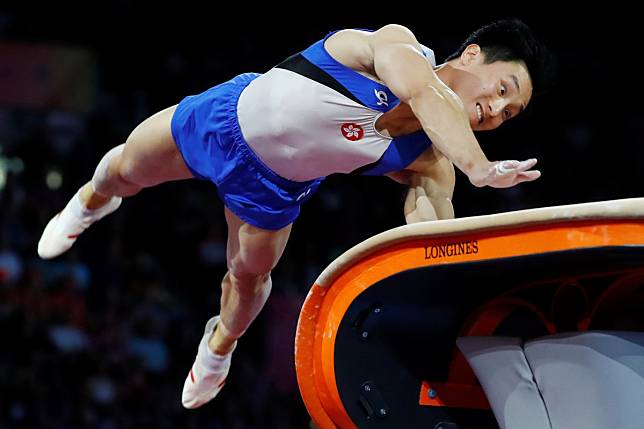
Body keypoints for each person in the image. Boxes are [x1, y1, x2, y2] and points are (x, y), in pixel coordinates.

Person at [37, 18, 554, 409]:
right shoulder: (395, 48)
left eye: (509, 114)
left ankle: (220, 344)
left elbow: (432, 238)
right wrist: (480, 169)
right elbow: (425, 94)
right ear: (470, 55)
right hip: (225, 117)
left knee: (246, 277)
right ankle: (88, 203)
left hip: (274, 189)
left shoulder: (430, 162)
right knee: (124, 168)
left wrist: (455, 290)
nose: (495, 111)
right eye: (502, 89)